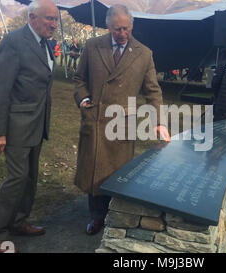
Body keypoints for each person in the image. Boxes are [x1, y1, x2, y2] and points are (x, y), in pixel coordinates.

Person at [73, 4, 170, 236]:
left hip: (122, 124)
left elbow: (153, 91)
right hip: (95, 120)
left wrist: (159, 120)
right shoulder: (92, 46)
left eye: (126, 28)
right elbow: (79, 78)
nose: (122, 34)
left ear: (132, 26)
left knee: (117, 173)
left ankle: (114, 216)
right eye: (117, 29)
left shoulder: (144, 54)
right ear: (108, 26)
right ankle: (96, 216)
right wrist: (84, 99)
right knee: (94, 171)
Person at [0, 0, 58, 253]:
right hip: (16, 126)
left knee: (30, 178)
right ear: (33, 17)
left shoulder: (45, 44)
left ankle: (19, 222)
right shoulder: (14, 42)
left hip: (37, 124)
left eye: (56, 19)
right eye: (49, 19)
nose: (54, 24)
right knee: (17, 179)